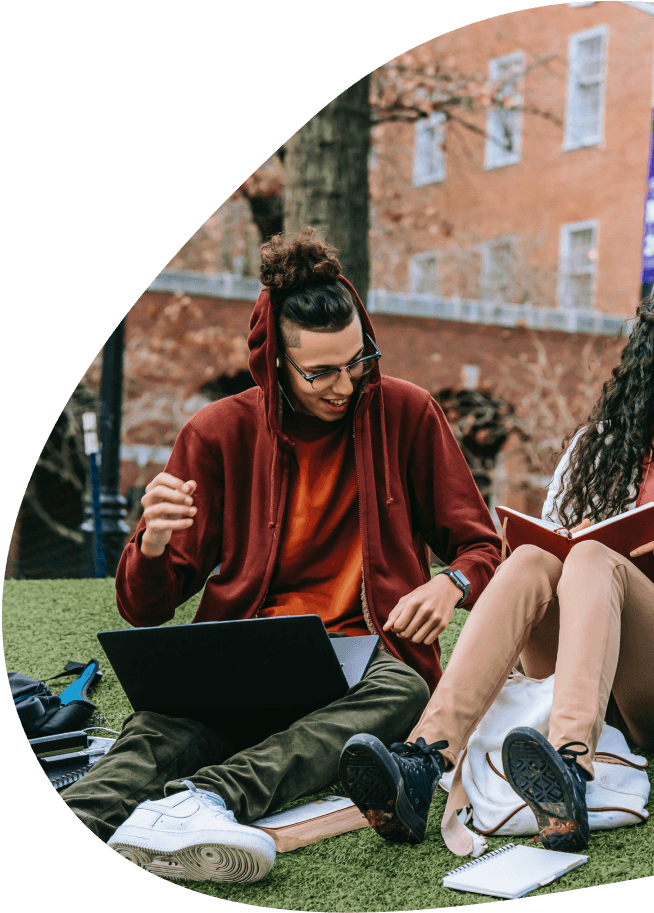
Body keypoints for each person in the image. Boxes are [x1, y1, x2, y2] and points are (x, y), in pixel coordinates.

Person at [62, 229, 502, 883]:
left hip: (363, 664)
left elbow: (481, 544)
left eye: (358, 360)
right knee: (153, 732)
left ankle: (200, 801)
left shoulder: (408, 413)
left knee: (405, 691)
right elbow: (144, 607)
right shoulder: (216, 434)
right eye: (320, 371)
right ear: (274, 362)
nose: (346, 384)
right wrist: (151, 542)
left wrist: (451, 584)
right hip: (242, 657)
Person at [337, 267, 654, 855]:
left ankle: (569, 769)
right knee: (537, 556)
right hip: (577, 670)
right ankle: (424, 760)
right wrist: (565, 544)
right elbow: (552, 559)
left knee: (593, 560)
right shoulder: (597, 449)